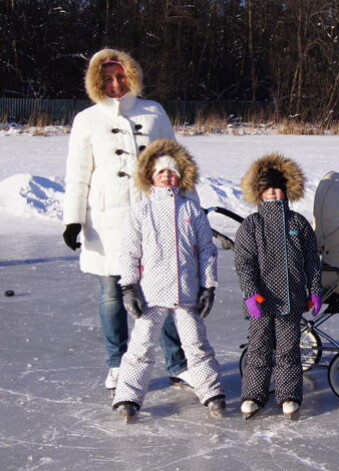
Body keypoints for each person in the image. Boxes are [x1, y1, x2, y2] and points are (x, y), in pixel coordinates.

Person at [62, 48, 192, 392]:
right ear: (96, 82)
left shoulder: (154, 112)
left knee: (161, 291)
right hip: (106, 220)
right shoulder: (87, 120)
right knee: (110, 292)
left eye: (120, 76)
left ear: (131, 75)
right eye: (107, 78)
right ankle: (117, 363)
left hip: (154, 216)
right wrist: (72, 219)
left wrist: (189, 208)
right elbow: (77, 174)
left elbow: (177, 164)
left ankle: (177, 363)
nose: (115, 83)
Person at [111, 139, 225, 419]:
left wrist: (208, 287)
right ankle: (128, 395)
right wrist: (129, 287)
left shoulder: (191, 210)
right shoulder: (141, 211)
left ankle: (210, 390)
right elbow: (128, 252)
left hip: (187, 293)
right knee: (141, 346)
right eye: (161, 172)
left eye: (172, 172)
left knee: (197, 344)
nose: (167, 176)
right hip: (151, 294)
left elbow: (207, 251)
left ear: (181, 177)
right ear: (151, 176)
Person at [234, 153, 323, 419]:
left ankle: (288, 395)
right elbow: (244, 263)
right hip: (261, 300)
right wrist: (250, 293)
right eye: (267, 190)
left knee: (287, 349)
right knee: (259, 348)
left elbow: (311, 261)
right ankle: (253, 394)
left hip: (291, 299)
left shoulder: (297, 223)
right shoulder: (252, 225)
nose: (272, 194)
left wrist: (315, 289)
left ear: (285, 192)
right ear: (259, 194)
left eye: (277, 189)